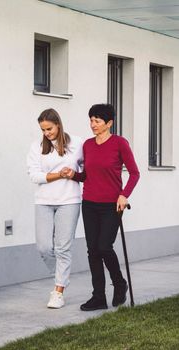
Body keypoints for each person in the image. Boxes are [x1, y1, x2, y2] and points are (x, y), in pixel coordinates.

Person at [62, 104, 140, 311]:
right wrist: (74, 175)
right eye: (91, 120)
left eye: (97, 121)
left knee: (104, 246)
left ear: (109, 123)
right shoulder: (87, 145)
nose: (92, 125)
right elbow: (87, 175)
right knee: (93, 251)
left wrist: (124, 195)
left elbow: (134, 173)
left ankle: (120, 283)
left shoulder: (119, 143)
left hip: (111, 205)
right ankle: (98, 297)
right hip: (89, 203)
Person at [27, 108, 83, 309]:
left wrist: (74, 173)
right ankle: (62, 275)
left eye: (49, 129)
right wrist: (59, 175)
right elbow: (34, 175)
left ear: (58, 124)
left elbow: (85, 169)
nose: (46, 133)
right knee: (44, 247)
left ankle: (58, 291)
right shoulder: (36, 147)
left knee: (63, 247)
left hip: (69, 200)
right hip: (43, 201)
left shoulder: (76, 143)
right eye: (43, 130)